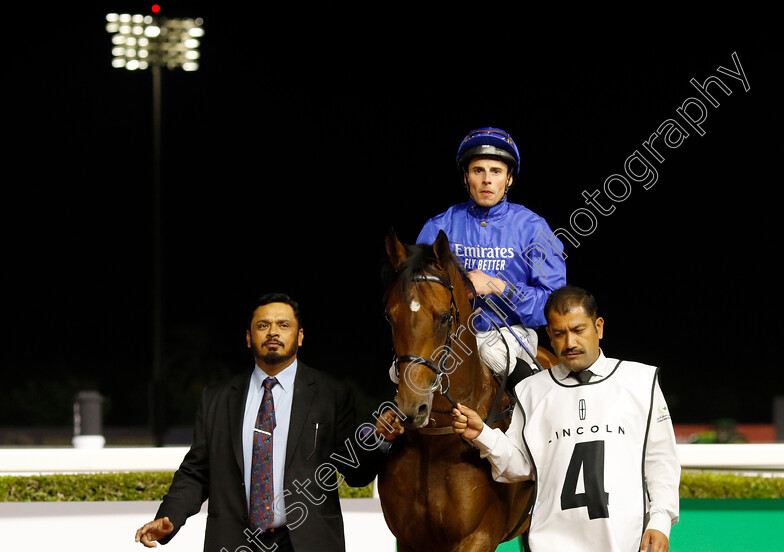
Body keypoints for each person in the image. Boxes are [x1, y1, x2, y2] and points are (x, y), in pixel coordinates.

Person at [135, 293, 381, 551]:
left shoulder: (331, 395)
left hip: (308, 542)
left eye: (283, 325)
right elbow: (196, 471)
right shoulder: (217, 398)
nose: (273, 332)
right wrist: (169, 518)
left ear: (300, 336)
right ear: (249, 338)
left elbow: (356, 472)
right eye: (263, 326)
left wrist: (380, 442)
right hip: (234, 542)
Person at [452, 286, 680, 552]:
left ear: (599, 327)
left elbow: (661, 459)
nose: (569, 343)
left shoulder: (640, 381)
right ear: (548, 334)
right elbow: (521, 467)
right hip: (551, 543)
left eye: (579, 330)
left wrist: (660, 520)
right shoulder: (530, 390)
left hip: (627, 542)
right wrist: (483, 435)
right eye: (559, 334)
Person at [392, 127, 566, 388]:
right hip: (447, 335)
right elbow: (415, 296)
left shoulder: (534, 228)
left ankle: (532, 413)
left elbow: (555, 306)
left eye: (496, 172)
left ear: (509, 179)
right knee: (397, 372)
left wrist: (497, 287)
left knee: (492, 355)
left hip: (509, 333)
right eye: (478, 171)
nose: (487, 180)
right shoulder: (438, 227)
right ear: (466, 177)